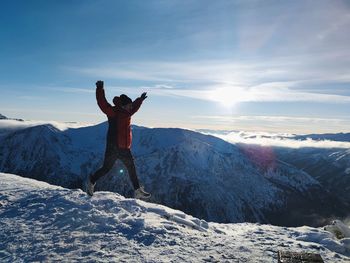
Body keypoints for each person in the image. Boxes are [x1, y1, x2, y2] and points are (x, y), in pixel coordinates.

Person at [84, 80, 151, 199]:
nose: (131, 107)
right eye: (129, 105)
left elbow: (134, 106)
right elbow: (102, 103)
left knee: (132, 169)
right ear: (123, 105)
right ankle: (91, 181)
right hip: (113, 147)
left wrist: (140, 99)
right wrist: (100, 89)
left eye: (130, 105)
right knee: (106, 168)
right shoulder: (113, 112)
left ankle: (137, 190)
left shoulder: (128, 111)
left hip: (125, 147)